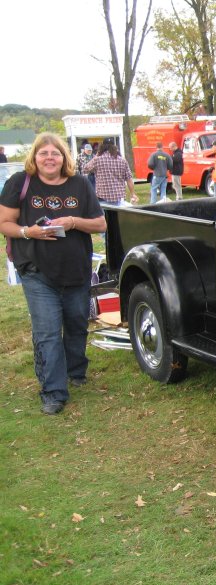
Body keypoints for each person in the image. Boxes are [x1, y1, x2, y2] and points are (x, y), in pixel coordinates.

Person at [0, 133, 107, 415]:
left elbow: (100, 224)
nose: (50, 158)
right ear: (34, 157)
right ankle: (53, 392)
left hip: (76, 270)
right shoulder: (20, 183)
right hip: (37, 271)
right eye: (43, 153)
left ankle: (76, 370)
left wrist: (73, 221)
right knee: (47, 331)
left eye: (55, 153)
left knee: (75, 324)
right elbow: (5, 223)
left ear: (64, 158)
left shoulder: (80, 184)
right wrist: (28, 232)